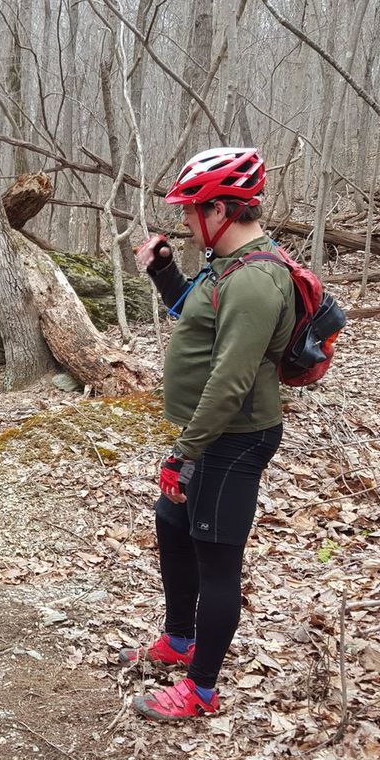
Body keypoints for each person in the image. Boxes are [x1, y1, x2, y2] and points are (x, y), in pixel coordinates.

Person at [121, 147, 295, 721]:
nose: (186, 221)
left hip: (235, 437)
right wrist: (163, 270)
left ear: (220, 209)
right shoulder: (226, 265)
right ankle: (179, 638)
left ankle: (200, 689)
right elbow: (193, 315)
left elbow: (232, 381)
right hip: (210, 434)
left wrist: (184, 452)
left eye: (191, 210)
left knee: (218, 559)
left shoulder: (257, 281)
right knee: (173, 523)